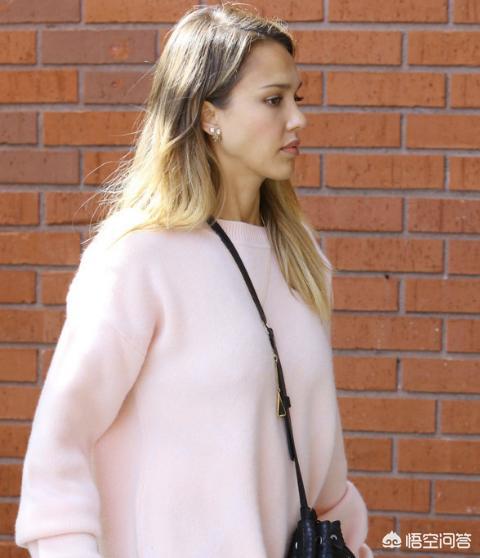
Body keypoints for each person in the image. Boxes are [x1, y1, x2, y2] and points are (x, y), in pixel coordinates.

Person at [15, 3, 373, 557]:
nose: (297, 119)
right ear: (209, 115)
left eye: (297, 99)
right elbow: (60, 449)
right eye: (273, 100)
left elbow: (323, 473)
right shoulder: (138, 259)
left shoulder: (301, 261)